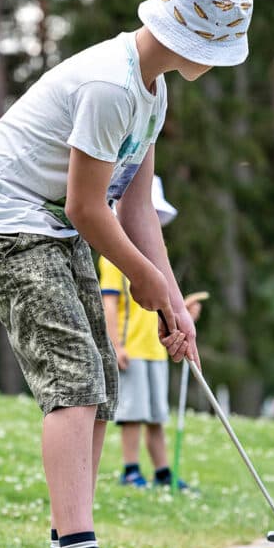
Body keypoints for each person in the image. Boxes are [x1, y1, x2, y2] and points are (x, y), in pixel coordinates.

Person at [0, 0, 253, 548]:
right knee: (71, 379)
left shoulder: (151, 88)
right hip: (7, 223)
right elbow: (89, 208)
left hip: (52, 226)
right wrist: (143, 280)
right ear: (185, 40)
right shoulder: (108, 86)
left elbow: (137, 207)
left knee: (98, 384)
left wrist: (171, 299)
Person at [99, 175, 187, 489]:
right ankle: (131, 470)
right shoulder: (114, 259)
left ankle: (163, 473)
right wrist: (115, 345)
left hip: (154, 349)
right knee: (133, 414)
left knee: (156, 416)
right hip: (131, 349)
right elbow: (109, 304)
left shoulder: (156, 262)